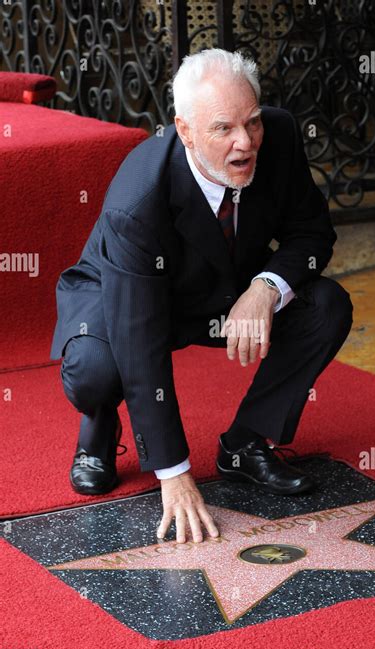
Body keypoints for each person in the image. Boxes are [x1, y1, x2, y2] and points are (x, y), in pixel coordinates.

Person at [50, 48, 353, 545]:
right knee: (95, 369)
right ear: (185, 130)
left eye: (251, 122)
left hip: (226, 290)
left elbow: (313, 234)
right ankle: (100, 427)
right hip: (126, 299)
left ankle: (244, 444)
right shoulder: (139, 197)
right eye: (223, 129)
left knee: (326, 306)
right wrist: (173, 472)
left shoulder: (278, 136)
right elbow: (138, 338)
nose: (245, 142)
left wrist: (264, 287)